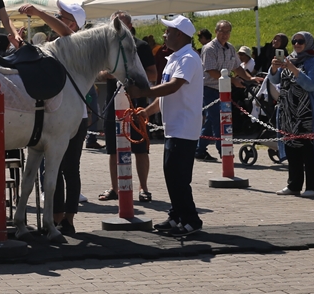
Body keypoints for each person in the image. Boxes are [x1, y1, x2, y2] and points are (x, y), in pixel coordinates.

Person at [18, 0, 86, 235]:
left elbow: (66, 32)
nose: (57, 17)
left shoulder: (75, 42)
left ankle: (68, 218)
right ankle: (56, 218)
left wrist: (38, 12)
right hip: (57, 116)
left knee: (69, 169)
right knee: (53, 168)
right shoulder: (57, 45)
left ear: (73, 24)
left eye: (62, 15)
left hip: (76, 116)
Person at [141, 15, 204, 236]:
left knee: (178, 177)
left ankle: (191, 220)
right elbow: (165, 95)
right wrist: (147, 112)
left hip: (184, 127)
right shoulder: (176, 57)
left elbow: (173, 87)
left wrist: (144, 92)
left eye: (168, 31)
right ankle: (177, 216)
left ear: (179, 34)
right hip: (174, 127)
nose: (164, 34)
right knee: (172, 175)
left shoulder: (188, 58)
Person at [97, 13, 157, 203]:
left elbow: (153, 74)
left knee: (140, 148)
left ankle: (143, 188)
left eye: (120, 25)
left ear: (130, 26)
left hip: (136, 104)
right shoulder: (107, 46)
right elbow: (98, 73)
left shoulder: (141, 46)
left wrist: (131, 76)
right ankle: (115, 188)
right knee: (113, 149)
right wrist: (108, 73)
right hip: (112, 102)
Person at [272, 32, 314, 197]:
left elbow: (312, 84)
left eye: (300, 41)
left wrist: (293, 69)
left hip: (307, 112)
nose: (297, 44)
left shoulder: (313, 62)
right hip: (288, 112)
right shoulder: (289, 59)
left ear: (307, 43)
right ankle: (294, 185)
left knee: (309, 150)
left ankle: (313, 187)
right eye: (294, 41)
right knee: (292, 149)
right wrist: (274, 68)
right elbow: (275, 80)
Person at [197, 20, 254, 162]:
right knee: (219, 120)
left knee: (211, 120)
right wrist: (233, 81)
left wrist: (250, 78)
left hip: (224, 90)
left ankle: (199, 149)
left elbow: (237, 67)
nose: (224, 34)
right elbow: (211, 71)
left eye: (227, 32)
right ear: (216, 32)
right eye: (222, 31)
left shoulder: (230, 48)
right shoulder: (209, 48)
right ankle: (224, 152)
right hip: (210, 89)